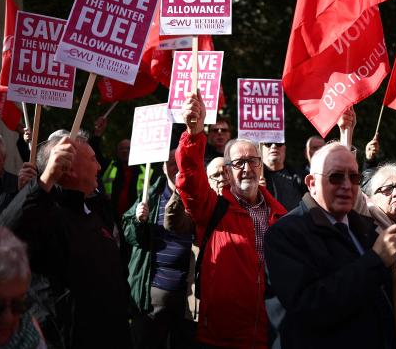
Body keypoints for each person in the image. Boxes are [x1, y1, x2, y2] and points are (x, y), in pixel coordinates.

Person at [264, 142, 396, 349]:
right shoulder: (284, 234)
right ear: (311, 183)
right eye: (336, 177)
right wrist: (376, 259)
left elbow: (384, 295)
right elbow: (311, 307)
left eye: (354, 178)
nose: (346, 185)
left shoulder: (364, 227)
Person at [0, 130, 131, 349]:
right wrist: (44, 180)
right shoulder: (43, 214)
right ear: (68, 167)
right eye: (93, 159)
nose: (99, 167)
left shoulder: (94, 209)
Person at [176, 91, 286, 349]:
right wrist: (194, 134)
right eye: (238, 163)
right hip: (220, 336)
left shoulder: (281, 216)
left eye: (252, 161)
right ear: (226, 171)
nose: (246, 168)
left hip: (269, 335)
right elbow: (190, 181)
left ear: (260, 166)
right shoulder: (212, 208)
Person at [123, 149, 195, 349]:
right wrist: (138, 221)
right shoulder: (150, 197)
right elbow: (130, 236)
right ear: (163, 167)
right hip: (152, 296)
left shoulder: (197, 199)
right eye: (171, 162)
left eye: (181, 161)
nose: (176, 166)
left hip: (187, 298)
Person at [261, 142, 306, 211]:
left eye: (279, 143)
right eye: (268, 143)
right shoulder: (253, 178)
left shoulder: (301, 177)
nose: (274, 146)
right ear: (261, 149)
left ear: (284, 148)